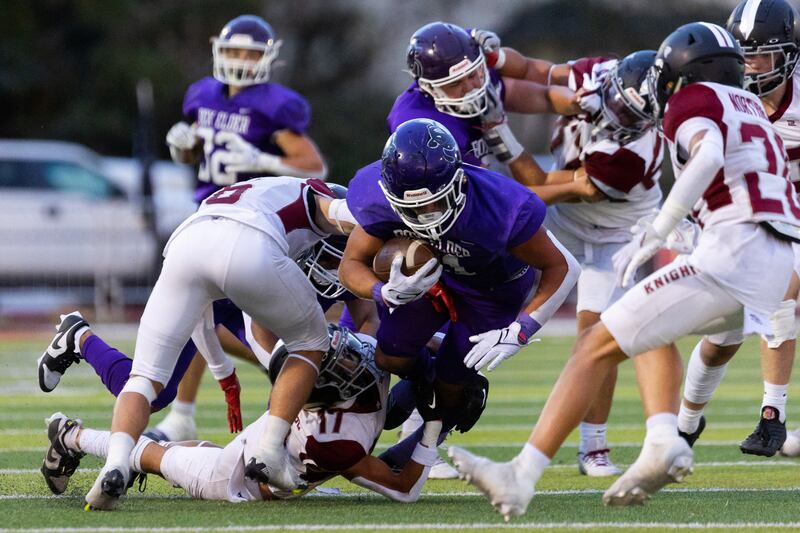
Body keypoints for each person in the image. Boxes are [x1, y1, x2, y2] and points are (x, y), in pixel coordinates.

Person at [450, 22, 800, 520]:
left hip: (734, 250)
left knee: (594, 345)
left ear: (685, 71)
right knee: (651, 331)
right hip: (773, 260)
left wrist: (660, 228)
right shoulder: (749, 107)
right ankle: (663, 437)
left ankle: (520, 476)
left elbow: (710, 158)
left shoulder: (692, 101)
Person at [76, 175, 355, 510]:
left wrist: (224, 374)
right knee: (311, 342)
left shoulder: (257, 192)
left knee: (144, 379)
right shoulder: (314, 195)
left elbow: (205, 317)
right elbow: (349, 213)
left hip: (185, 244)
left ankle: (116, 464)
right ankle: (269, 452)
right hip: (248, 242)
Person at [339, 118, 580, 470]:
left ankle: (442, 419)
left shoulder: (502, 206)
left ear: (458, 180)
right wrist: (384, 291)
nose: (424, 216)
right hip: (429, 280)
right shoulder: (376, 195)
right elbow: (351, 264)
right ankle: (422, 379)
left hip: (493, 289)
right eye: (413, 209)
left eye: (434, 204)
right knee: (390, 357)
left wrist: (521, 329)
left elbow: (563, 267)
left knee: (453, 386)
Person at [41, 325, 442, 504]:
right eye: (343, 367)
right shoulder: (333, 440)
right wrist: (435, 427)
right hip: (238, 482)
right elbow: (402, 485)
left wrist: (452, 365)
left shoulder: (358, 364)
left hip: (263, 442)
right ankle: (70, 434)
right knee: (157, 457)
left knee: (196, 450)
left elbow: (402, 346)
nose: (353, 360)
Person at [674, 0, 800, 457]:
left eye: (762, 55)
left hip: (791, 216)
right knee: (721, 339)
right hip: (731, 217)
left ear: (788, 53)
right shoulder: (716, 96)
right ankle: (686, 423)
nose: (751, 66)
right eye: (743, 55)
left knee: (781, 295)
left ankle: (773, 417)